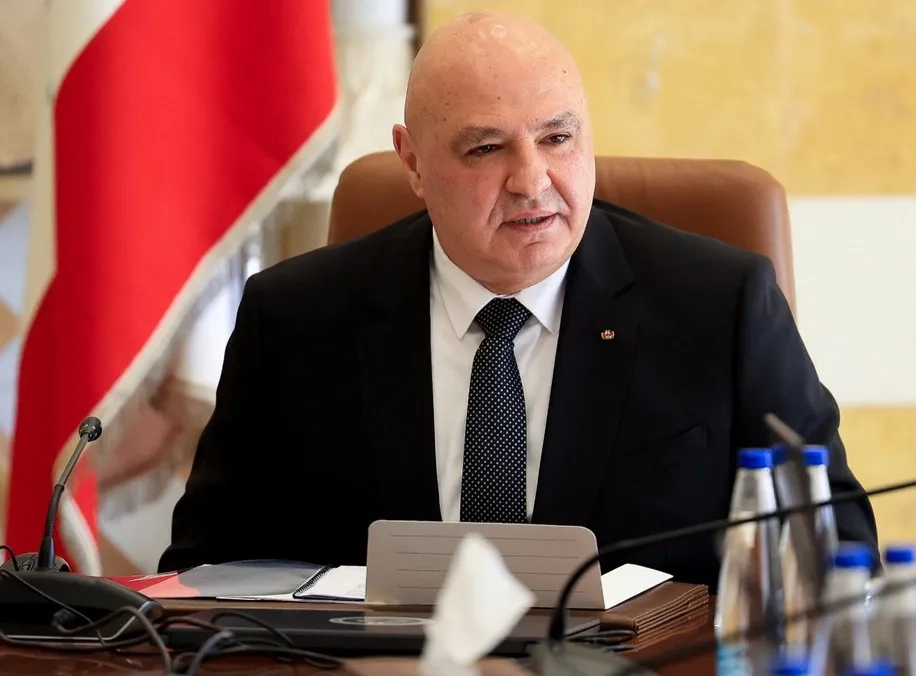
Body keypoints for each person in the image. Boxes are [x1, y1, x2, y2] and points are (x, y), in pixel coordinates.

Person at [158, 10, 878, 586]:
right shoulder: (293, 320)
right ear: (413, 162)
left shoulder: (718, 307)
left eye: (557, 137)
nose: (532, 181)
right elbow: (203, 573)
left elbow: (837, 555)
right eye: (486, 149)